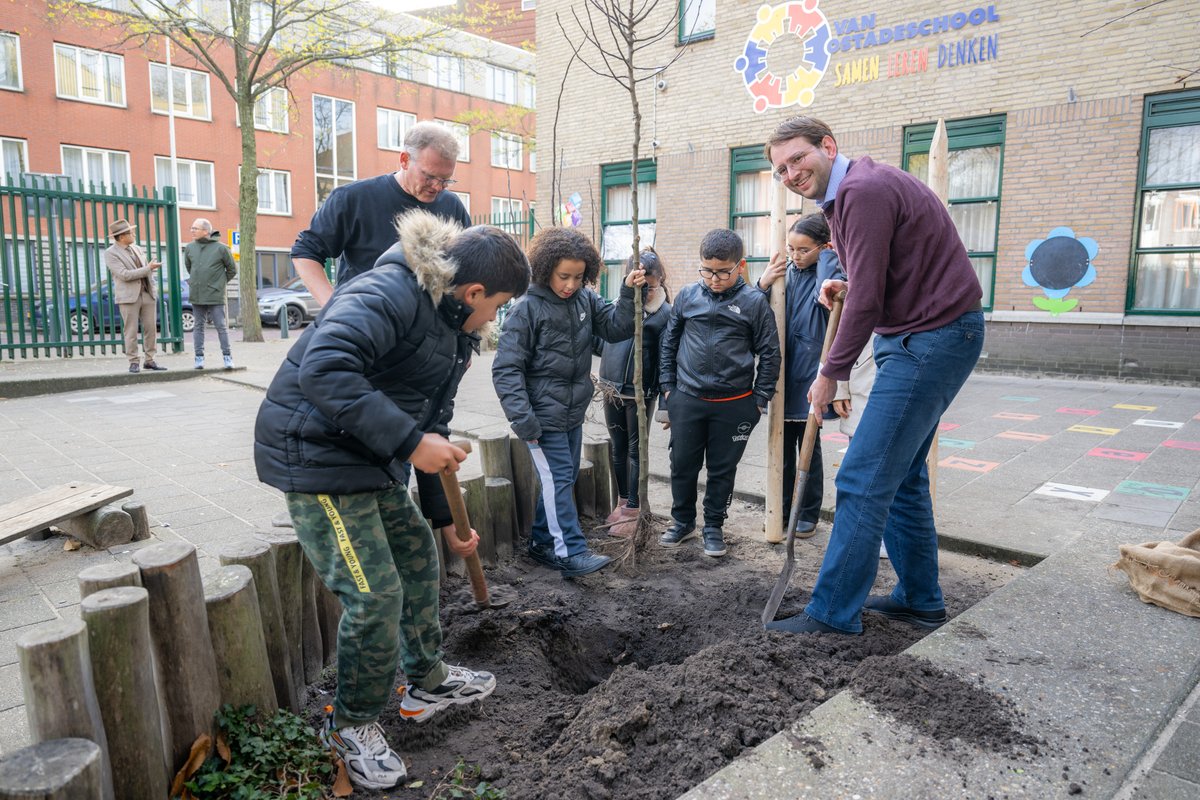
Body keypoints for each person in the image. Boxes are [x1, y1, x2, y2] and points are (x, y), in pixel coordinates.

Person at [254, 211, 530, 791]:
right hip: (317, 459)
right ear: (473, 291)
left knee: (416, 561)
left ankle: (426, 680)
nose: (495, 317)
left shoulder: (452, 327)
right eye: (497, 305)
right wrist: (409, 442)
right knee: (375, 595)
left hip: (369, 455)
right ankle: (349, 724)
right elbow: (325, 369)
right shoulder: (388, 291)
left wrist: (445, 520)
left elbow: (434, 424)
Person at [763, 115, 984, 635]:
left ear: (828, 146)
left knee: (861, 477)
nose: (791, 173)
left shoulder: (862, 190)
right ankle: (919, 598)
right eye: (780, 169)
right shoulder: (849, 196)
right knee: (902, 474)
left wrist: (830, 373)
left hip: (929, 339)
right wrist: (845, 283)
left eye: (797, 158)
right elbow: (873, 275)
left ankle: (832, 613)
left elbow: (868, 298)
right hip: (923, 336)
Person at [492, 227, 642, 577]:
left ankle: (543, 542)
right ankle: (570, 552)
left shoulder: (584, 300)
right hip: (541, 417)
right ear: (545, 269)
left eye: (578, 276)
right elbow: (506, 369)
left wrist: (627, 292)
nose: (570, 284)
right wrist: (523, 421)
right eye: (563, 276)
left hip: (571, 411)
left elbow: (616, 328)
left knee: (563, 477)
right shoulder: (526, 309)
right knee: (559, 479)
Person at [658, 229, 780, 558]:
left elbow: (770, 353)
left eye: (722, 272)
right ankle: (682, 522)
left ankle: (714, 526)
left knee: (722, 469)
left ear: (739, 266)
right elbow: (669, 343)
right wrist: (668, 388)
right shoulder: (686, 297)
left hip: (735, 404)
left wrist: (759, 400)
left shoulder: (754, 303)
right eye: (707, 270)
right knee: (682, 464)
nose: (714, 278)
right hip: (687, 399)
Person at [290, 120, 471, 307]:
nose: (437, 186)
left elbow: (470, 265)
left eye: (446, 180)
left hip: (426, 328)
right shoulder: (354, 198)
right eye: (430, 176)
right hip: (365, 321)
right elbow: (305, 252)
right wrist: (333, 307)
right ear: (405, 160)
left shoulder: (452, 206)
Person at [757, 214, 845, 538]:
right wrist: (763, 283)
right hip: (782, 372)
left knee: (810, 447)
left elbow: (830, 297)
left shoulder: (827, 273)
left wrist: (827, 256)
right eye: (791, 248)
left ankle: (808, 512)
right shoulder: (786, 275)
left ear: (823, 248)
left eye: (804, 250)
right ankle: (780, 508)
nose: (795, 256)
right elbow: (758, 308)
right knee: (780, 449)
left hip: (809, 372)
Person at [596, 248, 671, 536]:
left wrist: (665, 400)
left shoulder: (664, 314)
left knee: (635, 450)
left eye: (650, 287)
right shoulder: (620, 306)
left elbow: (666, 359)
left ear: (660, 280)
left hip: (639, 393)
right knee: (617, 448)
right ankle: (623, 500)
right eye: (639, 286)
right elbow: (603, 340)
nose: (645, 293)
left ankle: (636, 507)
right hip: (611, 387)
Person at [832, 337, 883, 557]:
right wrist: (839, 388)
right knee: (858, 475)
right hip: (861, 390)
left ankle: (887, 534)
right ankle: (856, 534)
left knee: (897, 476)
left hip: (899, 384)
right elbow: (843, 337)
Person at [103, 218, 166, 374]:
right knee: (130, 330)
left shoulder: (137, 248)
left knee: (151, 329)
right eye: (131, 232)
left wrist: (151, 275)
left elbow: (145, 270)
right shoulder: (110, 253)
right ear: (122, 236)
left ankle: (150, 360)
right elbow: (124, 275)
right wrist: (148, 268)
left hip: (147, 294)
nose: (134, 234)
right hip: (128, 297)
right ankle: (133, 361)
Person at [183, 218, 237, 370]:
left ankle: (227, 357)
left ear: (206, 231)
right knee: (198, 326)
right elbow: (190, 268)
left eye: (195, 228)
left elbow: (232, 270)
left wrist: (218, 284)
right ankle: (199, 358)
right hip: (197, 294)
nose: (192, 230)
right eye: (191, 228)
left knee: (220, 326)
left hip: (215, 295)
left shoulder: (221, 248)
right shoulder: (189, 248)